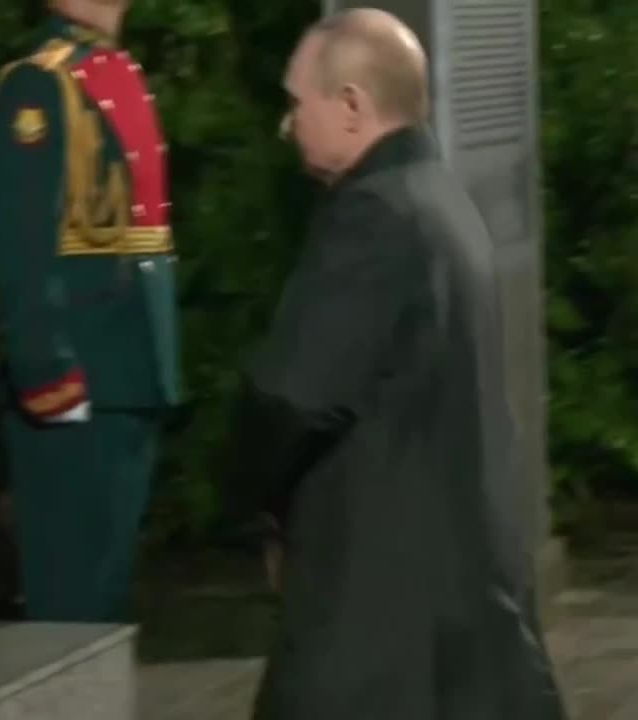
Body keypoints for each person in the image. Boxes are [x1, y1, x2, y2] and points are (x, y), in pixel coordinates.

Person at [221, 8, 568, 719]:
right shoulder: (439, 199)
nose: (288, 125)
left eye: (297, 104)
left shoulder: (373, 218)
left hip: (377, 614)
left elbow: (289, 396)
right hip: (448, 605)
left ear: (351, 106)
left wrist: (248, 500)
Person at [0, 0, 180, 622]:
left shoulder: (110, 68)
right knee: (72, 604)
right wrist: (48, 371)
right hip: (81, 377)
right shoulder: (39, 83)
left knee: (105, 596)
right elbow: (23, 244)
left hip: (127, 369)